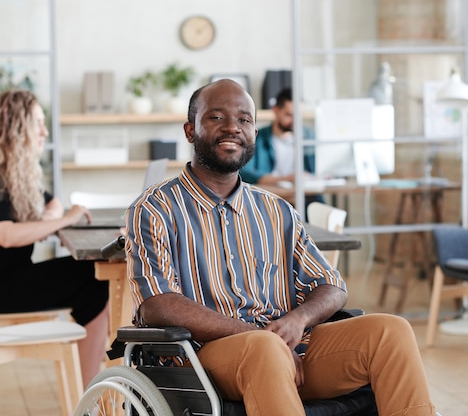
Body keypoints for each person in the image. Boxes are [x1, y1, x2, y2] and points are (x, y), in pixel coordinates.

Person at [126, 79, 438, 416]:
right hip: (201, 359)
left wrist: (299, 319)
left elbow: (331, 285)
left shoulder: (277, 212)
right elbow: (158, 304)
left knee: (390, 331)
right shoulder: (155, 208)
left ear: (255, 134)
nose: (233, 127)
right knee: (263, 347)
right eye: (216, 117)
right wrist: (262, 336)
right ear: (190, 130)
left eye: (245, 120)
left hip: (292, 353)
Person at [0, 89, 109, 387]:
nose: (44, 131)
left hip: (7, 281)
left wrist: (48, 220)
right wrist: (61, 222)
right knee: (95, 277)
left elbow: (52, 201)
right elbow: (5, 235)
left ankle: (90, 386)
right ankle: (91, 389)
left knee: (94, 279)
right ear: (17, 127)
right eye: (38, 122)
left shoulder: (12, 172)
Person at [240, 87, 316, 186]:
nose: (294, 121)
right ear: (275, 110)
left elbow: (321, 170)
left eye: (298, 115)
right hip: (271, 194)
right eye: (289, 115)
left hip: (305, 195)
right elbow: (246, 172)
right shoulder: (258, 138)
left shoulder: (310, 137)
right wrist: (286, 179)